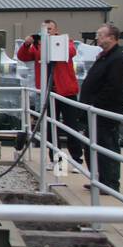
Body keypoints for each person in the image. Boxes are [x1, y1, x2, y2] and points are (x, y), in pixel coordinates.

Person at [16, 19, 83, 165]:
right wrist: (27, 43)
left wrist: (55, 42)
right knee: (50, 127)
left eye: (50, 29)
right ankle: (56, 159)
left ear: (56, 30)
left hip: (66, 91)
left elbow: (71, 51)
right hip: (48, 92)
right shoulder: (38, 46)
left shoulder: (65, 41)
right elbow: (23, 56)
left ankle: (76, 159)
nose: (47, 32)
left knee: (71, 126)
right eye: (45, 29)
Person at [79, 22, 123, 192]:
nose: (97, 38)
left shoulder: (118, 59)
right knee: (93, 146)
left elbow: (114, 87)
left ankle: (110, 183)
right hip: (93, 112)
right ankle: (98, 179)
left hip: (105, 113)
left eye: (101, 35)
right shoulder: (104, 56)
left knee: (107, 146)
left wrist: (95, 104)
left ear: (111, 38)